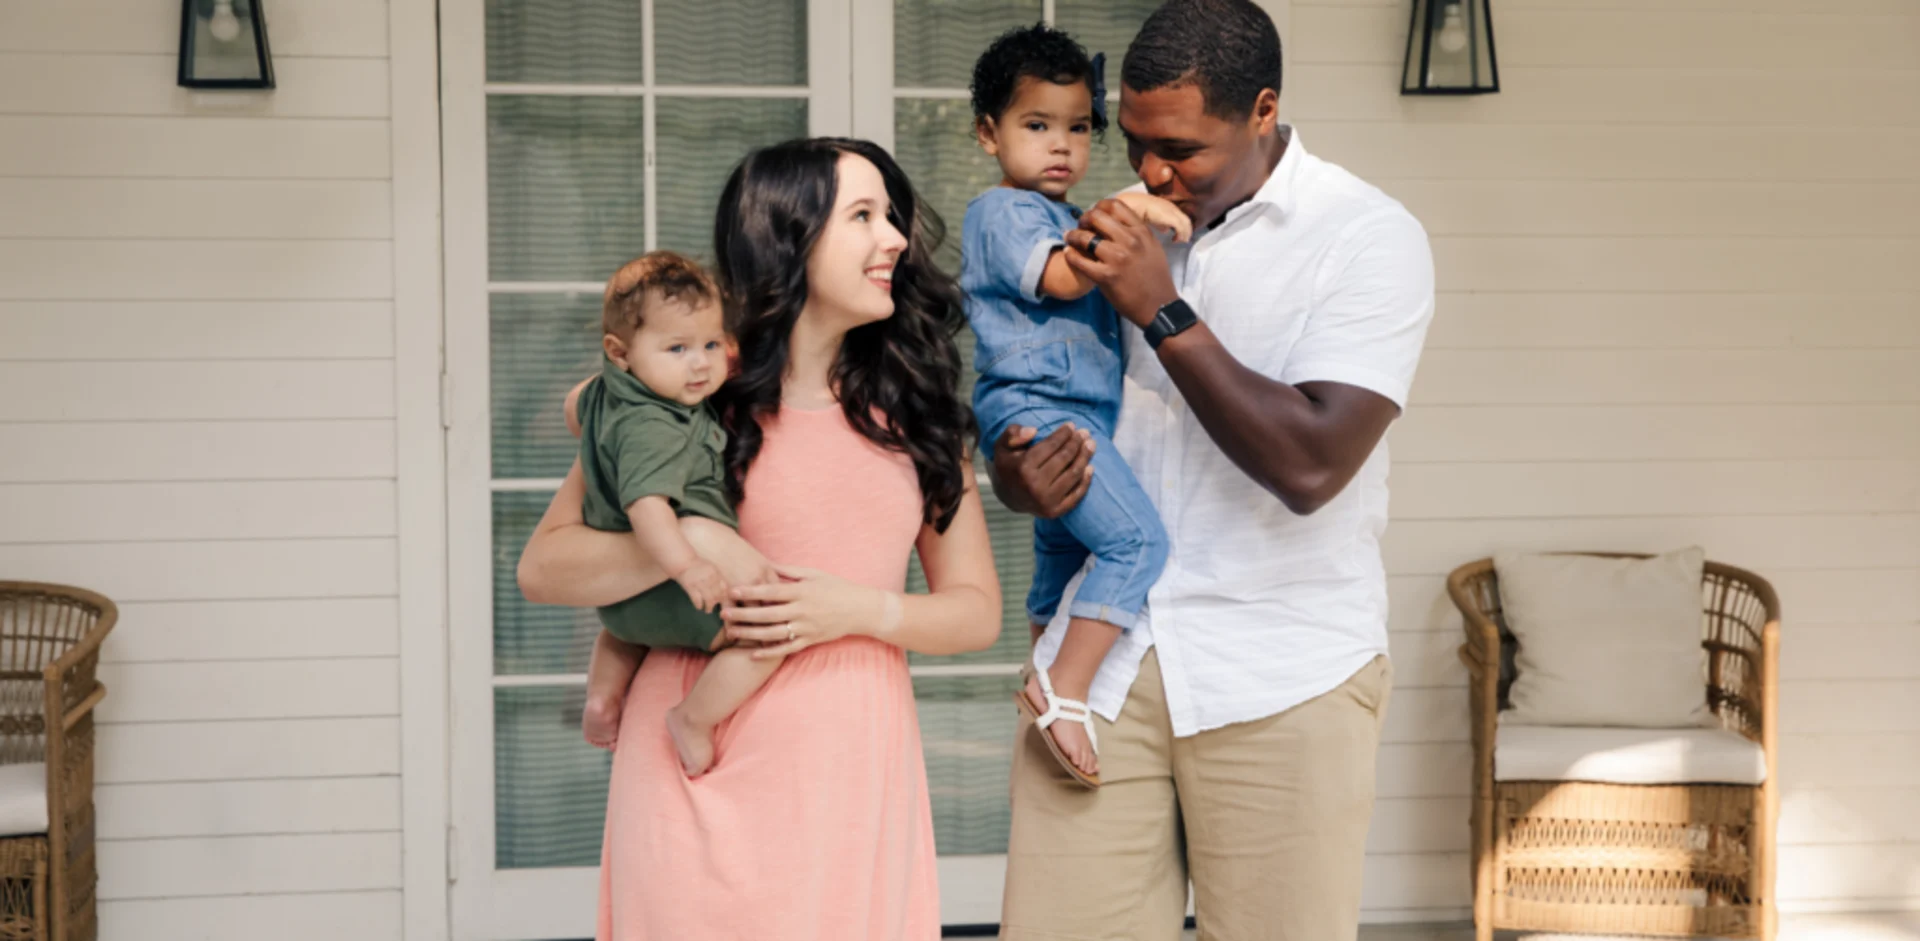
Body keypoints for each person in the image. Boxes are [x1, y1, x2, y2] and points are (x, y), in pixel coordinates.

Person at [990, 1, 1436, 938]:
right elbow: (1032, 390)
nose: (1153, 172)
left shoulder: (1364, 237)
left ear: (1262, 111)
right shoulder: (1106, 228)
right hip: (1099, 669)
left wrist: (1161, 309)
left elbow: (1313, 464)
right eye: (1138, 144)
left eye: (1183, 149)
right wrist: (1018, 475)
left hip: (1281, 669)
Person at [515, 138, 1002, 940]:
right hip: (692, 777)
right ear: (790, 238)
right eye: (863, 216)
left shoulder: (918, 413)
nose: (895, 239)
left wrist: (855, 608)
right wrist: (690, 537)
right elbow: (543, 568)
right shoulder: (684, 401)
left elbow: (976, 611)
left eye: (892, 216)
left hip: (851, 775)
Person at [960, 24, 1190, 787]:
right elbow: (1061, 280)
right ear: (989, 135)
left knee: (1064, 557)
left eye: (1077, 128)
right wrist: (1127, 211)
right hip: (1046, 408)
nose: (1061, 145)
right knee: (1136, 546)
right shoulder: (1002, 214)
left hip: (1075, 414)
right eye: (1037, 126)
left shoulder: (1062, 214)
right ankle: (1065, 687)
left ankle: (1042, 667)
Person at [571, 251, 787, 777]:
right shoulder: (657, 425)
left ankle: (602, 696)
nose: (701, 363)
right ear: (619, 353)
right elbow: (648, 507)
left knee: (624, 636)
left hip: (619, 609)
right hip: (673, 587)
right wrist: (690, 567)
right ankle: (692, 718)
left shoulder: (606, 394)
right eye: (678, 348)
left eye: (711, 344)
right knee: (770, 637)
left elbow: (573, 411)